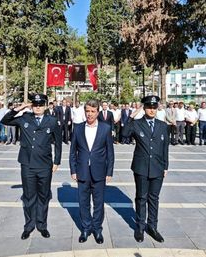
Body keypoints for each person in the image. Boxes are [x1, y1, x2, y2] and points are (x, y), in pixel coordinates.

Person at [1, 93, 62, 240]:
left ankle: (42, 225)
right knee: (29, 197)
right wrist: (21, 107)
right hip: (27, 164)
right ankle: (29, 226)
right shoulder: (25, 118)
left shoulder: (52, 121)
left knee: (43, 196)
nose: (38, 107)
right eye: (35, 105)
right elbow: (5, 120)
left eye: (41, 105)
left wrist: (57, 162)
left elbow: (58, 143)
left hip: (45, 165)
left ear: (46, 106)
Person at [122, 95, 170, 243]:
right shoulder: (137, 123)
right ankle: (140, 227)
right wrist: (132, 116)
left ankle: (152, 226)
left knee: (154, 198)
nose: (152, 110)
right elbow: (124, 134)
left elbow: (165, 148)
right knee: (141, 198)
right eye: (149, 107)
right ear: (144, 108)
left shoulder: (163, 126)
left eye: (154, 107)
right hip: (141, 167)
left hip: (158, 167)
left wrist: (165, 166)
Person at [69, 99, 115, 244]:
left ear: (98, 112)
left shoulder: (105, 128)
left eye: (93, 111)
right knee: (83, 202)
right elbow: (72, 152)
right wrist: (73, 169)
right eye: (87, 111)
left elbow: (110, 152)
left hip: (99, 171)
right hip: (82, 171)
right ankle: (85, 228)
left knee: (98, 202)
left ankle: (97, 229)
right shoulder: (77, 128)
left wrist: (109, 172)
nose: (89, 114)